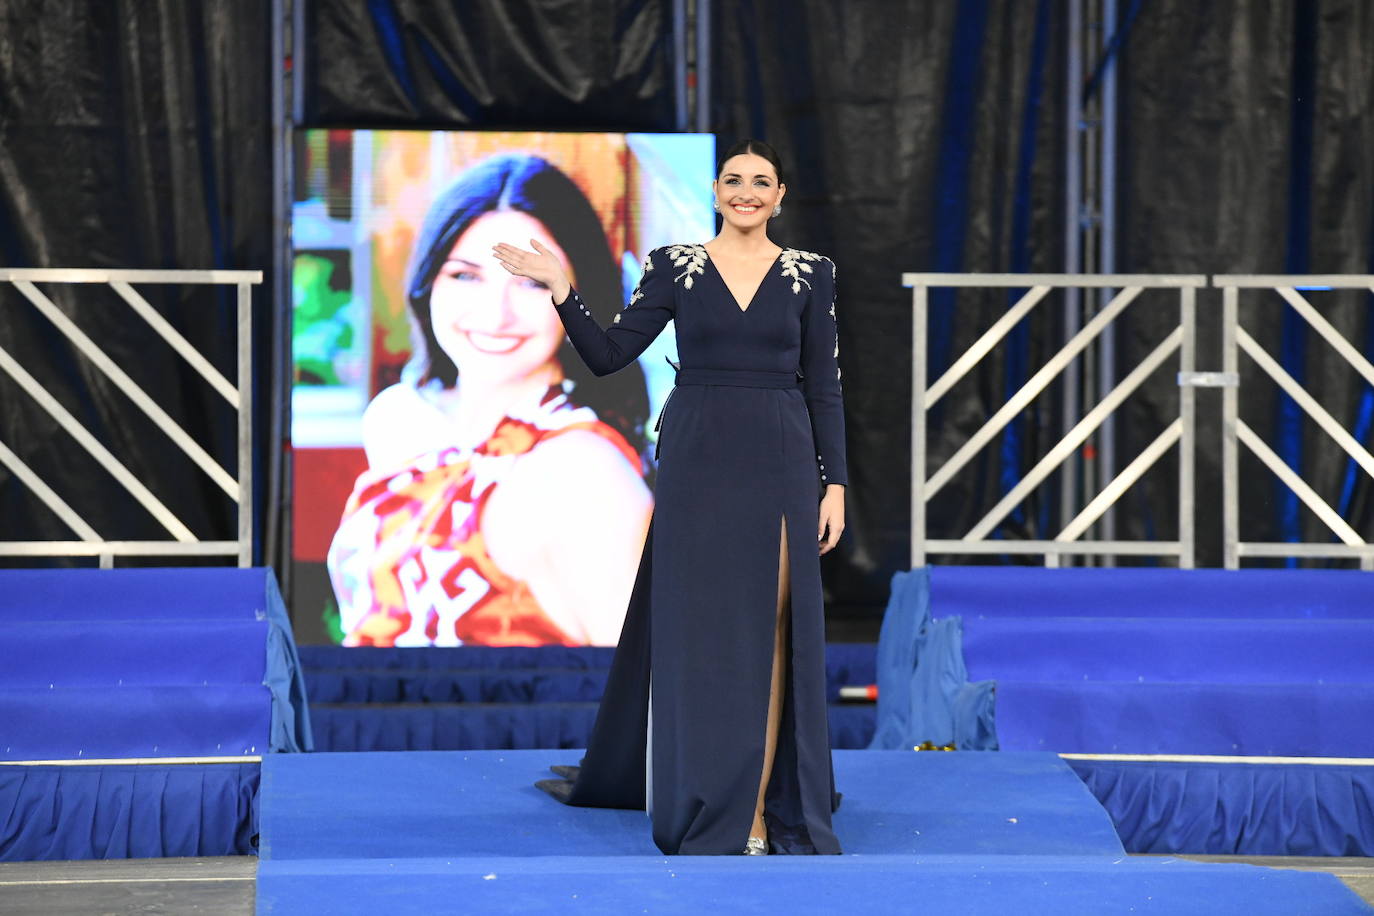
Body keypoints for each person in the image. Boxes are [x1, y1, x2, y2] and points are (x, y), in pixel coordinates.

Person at [495, 139, 847, 855]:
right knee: (700, 636)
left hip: (781, 457)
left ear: (780, 196)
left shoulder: (812, 275)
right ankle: (695, 790)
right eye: (733, 180)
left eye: (761, 181)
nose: (746, 191)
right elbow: (606, 355)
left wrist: (835, 482)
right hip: (697, 459)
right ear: (716, 191)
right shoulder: (674, 268)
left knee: (770, 635)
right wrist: (562, 289)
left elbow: (825, 387)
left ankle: (751, 813)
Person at [327, 154, 655, 648]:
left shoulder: (586, 474)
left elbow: (646, 696)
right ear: (428, 283)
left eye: (532, 283)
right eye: (465, 276)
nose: (494, 314)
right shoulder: (400, 416)